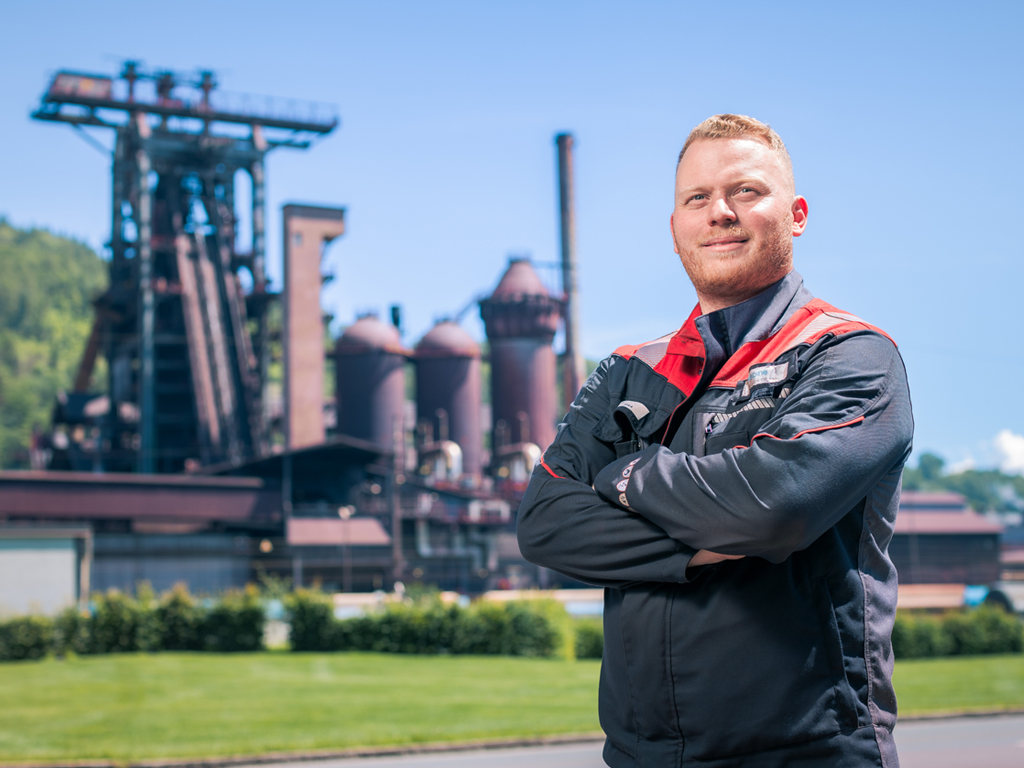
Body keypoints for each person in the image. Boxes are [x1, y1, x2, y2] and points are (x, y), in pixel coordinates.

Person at [517, 114, 913, 768]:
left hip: (808, 754)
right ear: (675, 230)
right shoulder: (628, 370)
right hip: (642, 756)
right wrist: (702, 548)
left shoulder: (851, 356)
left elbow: (775, 506)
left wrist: (629, 476)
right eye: (696, 199)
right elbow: (546, 525)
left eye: (746, 192)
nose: (719, 212)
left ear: (797, 214)